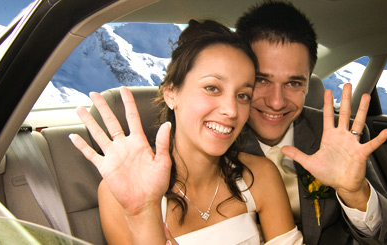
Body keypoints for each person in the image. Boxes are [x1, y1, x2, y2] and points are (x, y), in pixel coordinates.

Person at [69, 19, 303, 244]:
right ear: (171, 92)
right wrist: (143, 214)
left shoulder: (261, 175)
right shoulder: (122, 190)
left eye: (243, 96)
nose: (231, 110)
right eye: (212, 88)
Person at [235, 2, 387, 244]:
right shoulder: (217, 141)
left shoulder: (343, 134)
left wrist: (355, 194)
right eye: (261, 80)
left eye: (294, 83)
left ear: (309, 82)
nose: (277, 102)